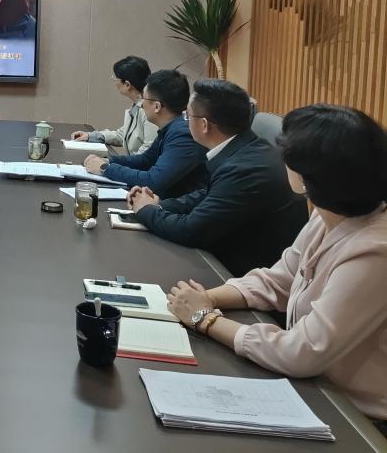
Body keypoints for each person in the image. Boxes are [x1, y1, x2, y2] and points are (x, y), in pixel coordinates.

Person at [166, 105, 387, 427]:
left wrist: (204, 319)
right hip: (318, 389)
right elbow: (278, 281)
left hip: (359, 418)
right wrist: (206, 298)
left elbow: (303, 352)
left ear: (307, 176)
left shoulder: (375, 250)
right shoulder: (327, 215)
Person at [125, 79, 308, 276]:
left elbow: (190, 231)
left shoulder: (244, 169)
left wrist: (145, 210)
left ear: (204, 125)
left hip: (239, 274)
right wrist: (160, 204)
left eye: (188, 116)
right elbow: (210, 194)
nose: (185, 121)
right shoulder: (248, 147)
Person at [84, 69, 207, 198]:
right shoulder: (172, 128)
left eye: (144, 98)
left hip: (175, 207)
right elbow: (145, 160)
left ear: (157, 106)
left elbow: (153, 181)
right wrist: (109, 160)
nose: (141, 104)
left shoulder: (182, 135)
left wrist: (105, 168)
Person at [72, 55, 157, 155]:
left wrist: (116, 162)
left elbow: (148, 150)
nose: (114, 81)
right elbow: (122, 135)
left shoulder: (150, 110)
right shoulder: (136, 106)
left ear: (127, 84)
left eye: (116, 78)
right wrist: (90, 136)